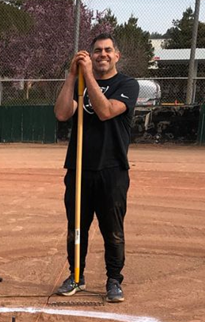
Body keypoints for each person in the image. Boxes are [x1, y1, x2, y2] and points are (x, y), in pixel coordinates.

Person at [53, 33, 139, 302]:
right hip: (79, 169)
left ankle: (114, 280)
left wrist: (87, 76)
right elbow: (62, 113)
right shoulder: (79, 85)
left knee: (112, 228)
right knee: (76, 227)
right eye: (97, 51)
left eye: (107, 50)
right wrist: (71, 76)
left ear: (116, 55)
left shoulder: (127, 85)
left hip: (112, 169)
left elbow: (105, 111)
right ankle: (76, 275)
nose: (102, 55)